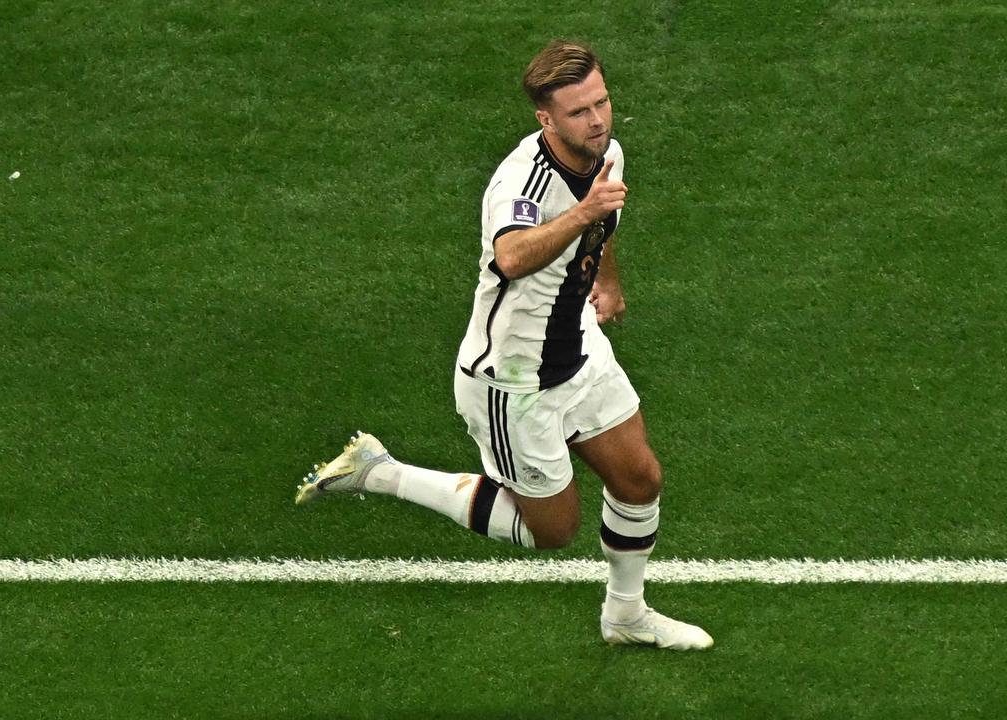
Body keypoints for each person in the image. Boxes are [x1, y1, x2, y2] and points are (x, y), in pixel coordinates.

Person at [295, 39, 712, 651]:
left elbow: (602, 219)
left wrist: (608, 280)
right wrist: (582, 212)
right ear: (546, 119)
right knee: (551, 531)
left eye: (602, 102)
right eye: (579, 112)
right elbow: (511, 256)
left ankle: (625, 615)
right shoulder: (521, 181)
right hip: (513, 380)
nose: (597, 120)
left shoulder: (606, 153)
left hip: (577, 344)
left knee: (639, 478)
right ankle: (379, 473)